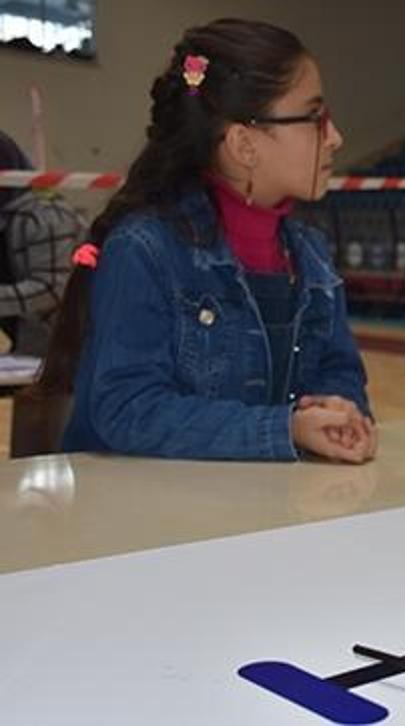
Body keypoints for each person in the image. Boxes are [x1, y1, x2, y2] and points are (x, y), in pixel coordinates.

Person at [34, 19, 375, 462]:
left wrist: (342, 410)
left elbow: (339, 369)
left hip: (259, 513)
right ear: (244, 144)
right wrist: (284, 429)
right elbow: (127, 408)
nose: (335, 137)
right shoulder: (145, 249)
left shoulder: (309, 253)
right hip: (146, 521)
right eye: (315, 117)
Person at [0, 131, 85, 356]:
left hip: (65, 356)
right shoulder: (7, 217)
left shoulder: (46, 216)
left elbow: (51, 289)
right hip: (23, 354)